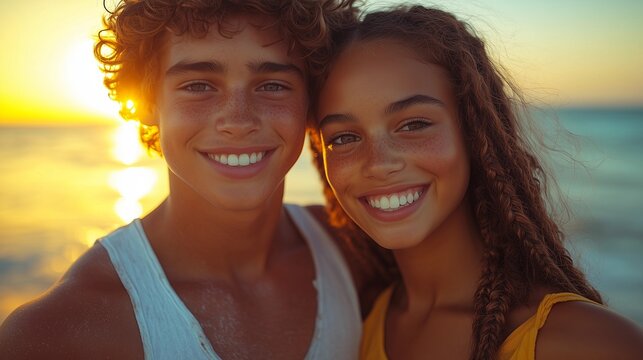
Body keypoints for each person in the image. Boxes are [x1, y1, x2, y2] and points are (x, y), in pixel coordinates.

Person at [0, 1, 389, 359]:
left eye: (273, 85)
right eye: (198, 85)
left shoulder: (352, 253)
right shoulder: (59, 331)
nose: (238, 121)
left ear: (311, 102)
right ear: (147, 102)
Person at [309, 5, 643, 360]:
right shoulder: (349, 329)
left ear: (474, 132)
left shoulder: (591, 344)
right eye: (343, 138)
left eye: (414, 124)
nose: (377, 163)